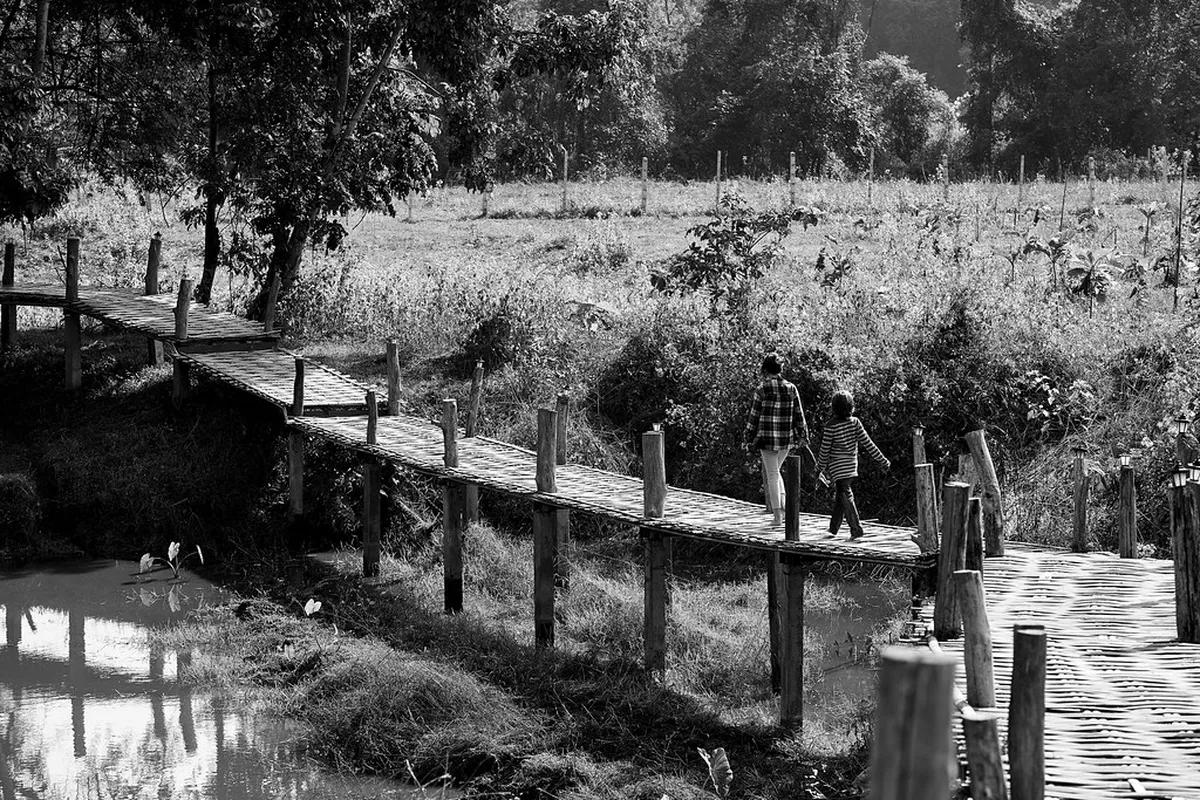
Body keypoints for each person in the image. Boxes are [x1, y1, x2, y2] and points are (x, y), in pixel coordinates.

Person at [744, 353, 809, 526]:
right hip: (786, 439)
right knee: (777, 472)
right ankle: (785, 512)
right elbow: (799, 415)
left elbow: (754, 417)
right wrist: (803, 435)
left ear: (765, 369)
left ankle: (777, 517)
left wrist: (748, 436)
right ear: (780, 369)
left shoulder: (762, 389)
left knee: (772, 474)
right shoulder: (791, 388)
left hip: (766, 439)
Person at [814, 390, 890, 540]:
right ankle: (833, 529)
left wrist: (819, 469)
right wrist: (883, 460)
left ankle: (856, 529)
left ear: (833, 408)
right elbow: (869, 444)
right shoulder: (855, 422)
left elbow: (824, 451)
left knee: (845, 494)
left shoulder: (830, 426)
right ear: (851, 407)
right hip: (850, 466)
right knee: (841, 496)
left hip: (837, 468)